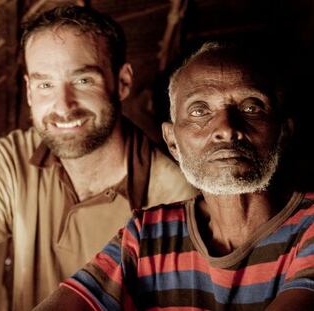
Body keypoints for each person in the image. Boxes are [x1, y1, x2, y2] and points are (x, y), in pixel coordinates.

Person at [0, 5, 195, 311]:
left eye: (83, 81)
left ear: (121, 82)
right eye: (45, 85)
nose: (63, 106)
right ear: (29, 92)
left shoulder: (175, 199)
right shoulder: (12, 160)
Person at [34, 42, 314, 310]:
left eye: (251, 107)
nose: (226, 128)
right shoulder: (147, 233)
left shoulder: (310, 225)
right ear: (172, 142)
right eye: (200, 111)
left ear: (283, 132)